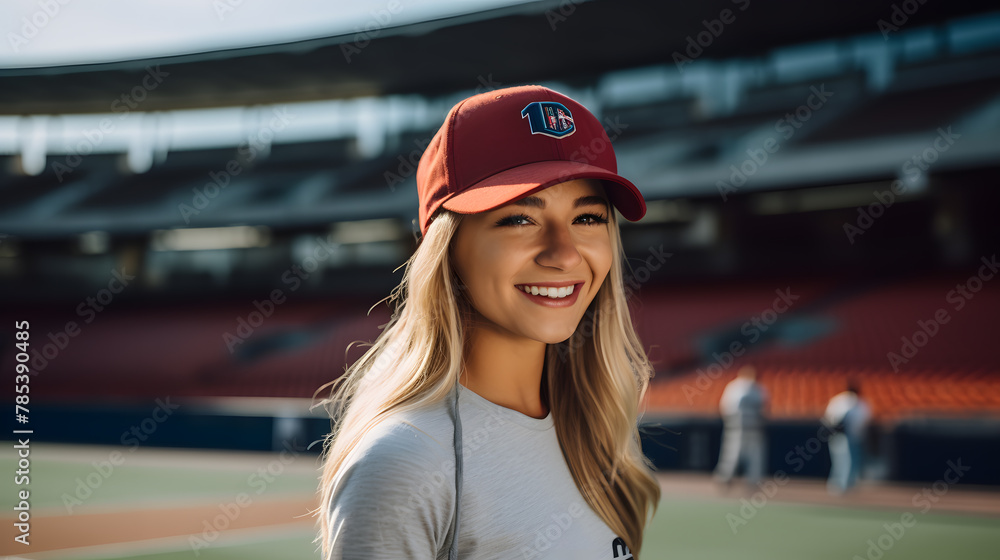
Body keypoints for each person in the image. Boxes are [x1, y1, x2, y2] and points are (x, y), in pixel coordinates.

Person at [314, 85, 661, 559]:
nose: (563, 254)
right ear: (446, 249)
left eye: (587, 218)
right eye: (519, 219)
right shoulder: (404, 462)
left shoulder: (592, 431)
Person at [713, 365, 768, 489]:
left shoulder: (756, 388)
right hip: (742, 426)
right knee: (736, 453)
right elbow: (726, 408)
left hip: (747, 427)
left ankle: (748, 480)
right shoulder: (739, 387)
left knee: (746, 454)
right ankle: (728, 478)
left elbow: (765, 409)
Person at [823, 382, 871, 495]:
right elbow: (830, 419)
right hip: (841, 435)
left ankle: (843, 485)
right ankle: (839, 486)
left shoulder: (857, 402)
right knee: (844, 461)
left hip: (850, 436)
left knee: (847, 461)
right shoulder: (842, 401)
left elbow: (864, 421)